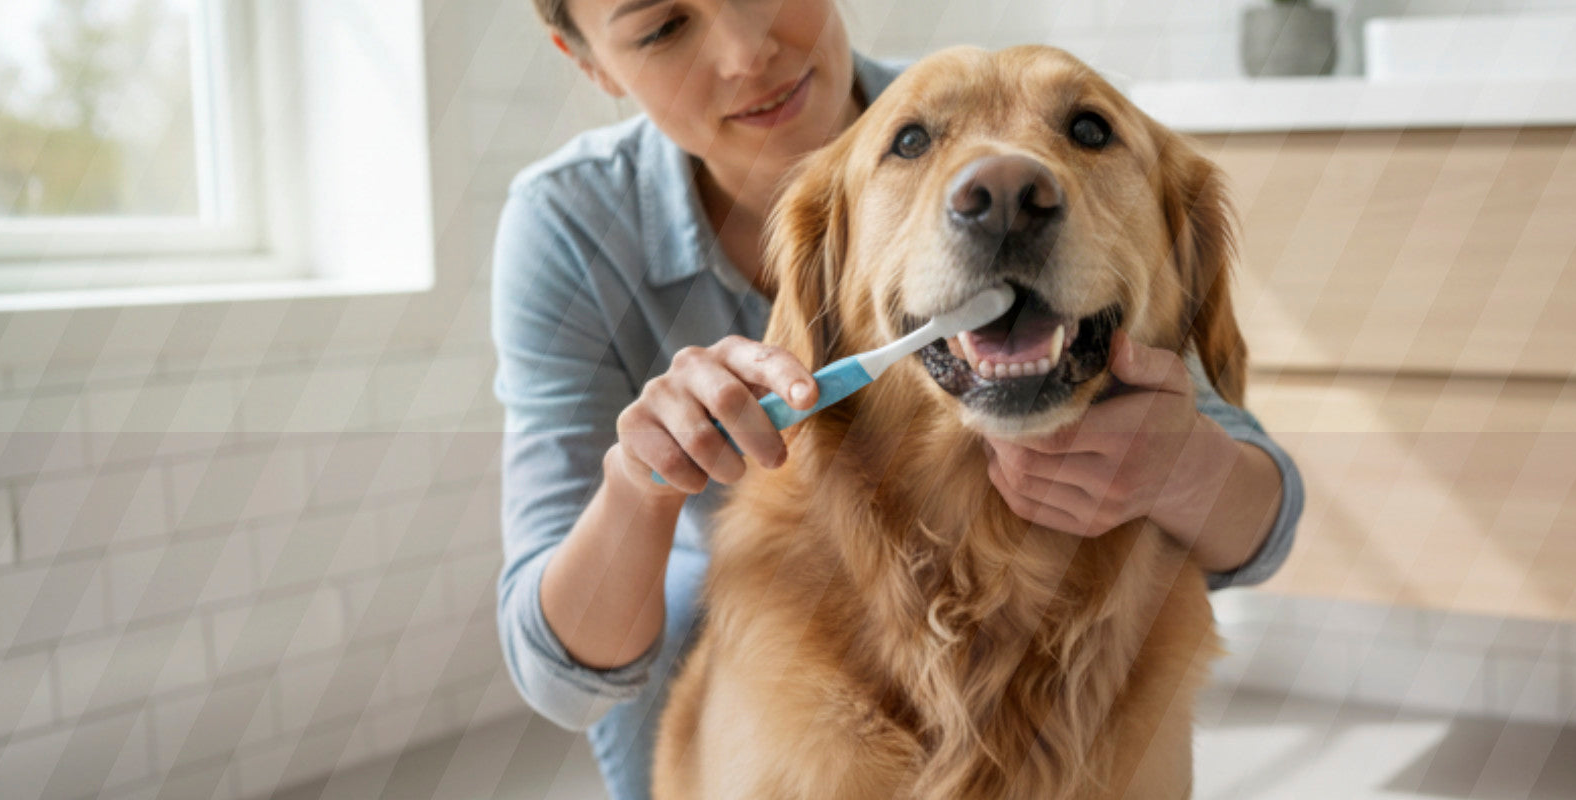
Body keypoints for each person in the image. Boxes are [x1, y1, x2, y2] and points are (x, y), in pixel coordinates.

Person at [486, 1, 1305, 798]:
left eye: (1087, 132)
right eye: (664, 27)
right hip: (758, 647)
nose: (745, 50)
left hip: (1095, 629)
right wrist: (641, 481)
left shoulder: (988, 102)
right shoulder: (568, 220)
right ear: (593, 63)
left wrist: (1188, 468)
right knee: (682, 590)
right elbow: (561, 678)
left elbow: (1258, 513)